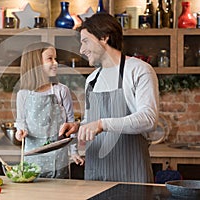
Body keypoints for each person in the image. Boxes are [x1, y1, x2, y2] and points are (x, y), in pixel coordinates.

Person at [59, 13, 159, 183]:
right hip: (96, 175)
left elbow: (149, 119)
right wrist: (79, 126)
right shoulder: (92, 79)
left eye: (85, 41)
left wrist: (101, 124)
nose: (81, 50)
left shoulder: (139, 70)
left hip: (131, 174)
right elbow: (94, 122)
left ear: (104, 38)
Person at [14, 42, 84, 178]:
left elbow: (71, 124)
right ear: (35, 64)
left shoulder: (61, 91)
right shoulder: (23, 94)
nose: (55, 63)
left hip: (58, 160)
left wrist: (74, 152)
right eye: (50, 58)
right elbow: (20, 122)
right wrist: (19, 132)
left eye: (55, 58)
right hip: (32, 161)